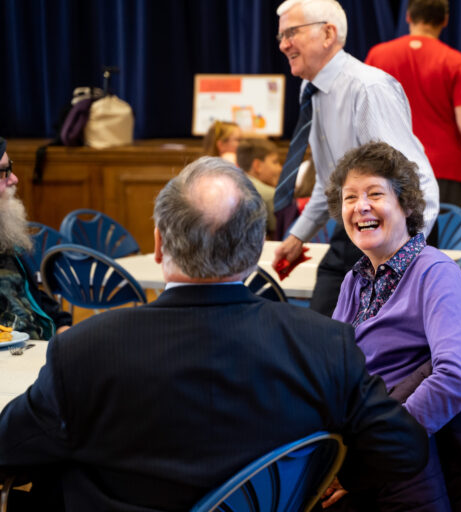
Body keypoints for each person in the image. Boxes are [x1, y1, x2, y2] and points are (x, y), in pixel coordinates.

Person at [0, 156, 429, 511]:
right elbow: (404, 449)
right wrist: (319, 474)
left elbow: (10, 448)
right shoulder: (324, 345)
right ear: (253, 251)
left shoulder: (83, 350)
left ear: (159, 244)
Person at [324, 142, 461, 511]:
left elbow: (458, 377)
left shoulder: (435, 272)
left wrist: (375, 453)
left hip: (404, 464)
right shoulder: (357, 278)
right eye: (350, 197)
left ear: (408, 205)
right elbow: (333, 370)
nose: (360, 206)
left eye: (375, 194)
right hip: (360, 449)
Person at [273, 0, 439, 316]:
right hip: (354, 228)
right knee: (321, 334)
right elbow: (328, 182)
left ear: (328, 33)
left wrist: (403, 259)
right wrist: (297, 237)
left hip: (394, 234)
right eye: (281, 36)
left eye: (292, 33)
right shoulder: (310, 89)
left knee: (378, 354)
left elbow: (408, 180)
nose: (283, 45)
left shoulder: (368, 88)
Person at [365, 0, 461, 211]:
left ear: (409, 17)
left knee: (393, 241)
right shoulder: (454, 61)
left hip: (389, 169)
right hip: (443, 172)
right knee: (444, 242)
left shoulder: (377, 55)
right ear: (445, 20)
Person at [0, 137, 71, 339]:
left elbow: (33, 297)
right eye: (3, 172)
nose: (14, 179)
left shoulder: (4, 240)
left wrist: (62, 325)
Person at [236, 138, 281, 238]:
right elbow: (277, 237)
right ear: (257, 166)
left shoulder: (227, 187)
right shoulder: (270, 195)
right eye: (275, 162)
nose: (279, 168)